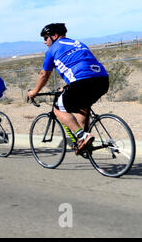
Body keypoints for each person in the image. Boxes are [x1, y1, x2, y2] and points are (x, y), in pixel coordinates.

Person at [27, 23, 109, 155]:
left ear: (54, 36)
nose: (45, 42)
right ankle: (84, 143)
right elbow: (82, 66)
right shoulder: (78, 43)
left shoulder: (52, 50)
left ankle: (82, 135)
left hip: (81, 82)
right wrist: (66, 87)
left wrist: (34, 92)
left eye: (46, 38)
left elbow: (43, 75)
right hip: (102, 80)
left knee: (58, 109)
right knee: (83, 106)